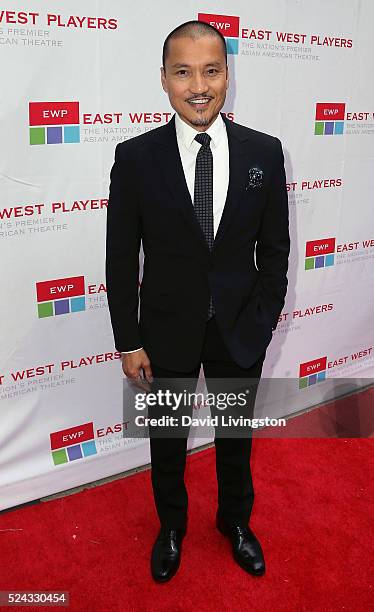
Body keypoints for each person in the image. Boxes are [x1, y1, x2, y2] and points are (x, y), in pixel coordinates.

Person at [106, 20, 290, 583]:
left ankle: (235, 523)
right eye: (183, 72)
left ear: (228, 75)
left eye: (211, 70)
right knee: (168, 440)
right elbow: (120, 256)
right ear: (163, 79)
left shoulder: (264, 150)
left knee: (236, 437)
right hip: (164, 332)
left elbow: (275, 248)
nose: (199, 85)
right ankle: (171, 529)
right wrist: (128, 339)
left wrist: (262, 319)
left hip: (240, 329)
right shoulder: (136, 157)